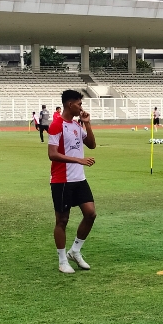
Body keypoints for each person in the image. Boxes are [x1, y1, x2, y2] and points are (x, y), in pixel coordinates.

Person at [48, 89, 97, 273]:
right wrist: (79, 160)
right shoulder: (56, 125)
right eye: (79, 104)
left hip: (79, 178)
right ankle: (62, 261)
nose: (81, 107)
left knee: (91, 214)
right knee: (62, 220)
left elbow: (91, 144)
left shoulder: (77, 125)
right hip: (61, 180)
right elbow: (52, 154)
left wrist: (87, 124)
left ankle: (74, 251)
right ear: (70, 104)